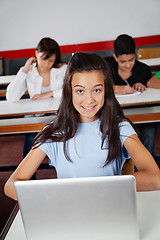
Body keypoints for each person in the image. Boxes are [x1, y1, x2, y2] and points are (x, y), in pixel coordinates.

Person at [4, 52, 160, 201]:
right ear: (69, 91)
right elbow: (10, 186)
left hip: (110, 209)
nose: (89, 100)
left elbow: (155, 178)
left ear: (106, 90)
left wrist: (96, 189)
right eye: (80, 91)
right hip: (69, 215)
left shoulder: (119, 127)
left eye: (97, 90)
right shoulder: (55, 132)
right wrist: (54, 195)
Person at [6, 37, 67, 157]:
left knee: (59, 136)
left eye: (51, 60)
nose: (47, 64)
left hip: (56, 111)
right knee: (31, 138)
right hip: (35, 111)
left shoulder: (62, 69)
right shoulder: (29, 71)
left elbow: (69, 89)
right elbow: (11, 97)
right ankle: (29, 173)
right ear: (36, 54)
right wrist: (24, 71)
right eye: (43, 59)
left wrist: (47, 94)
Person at [104, 34, 157, 156]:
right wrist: (115, 88)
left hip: (139, 113)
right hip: (114, 114)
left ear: (136, 55)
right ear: (115, 57)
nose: (127, 65)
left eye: (131, 60)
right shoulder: (106, 66)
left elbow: (148, 92)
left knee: (150, 129)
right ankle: (121, 165)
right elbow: (94, 86)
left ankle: (146, 163)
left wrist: (142, 86)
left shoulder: (143, 70)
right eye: (122, 61)